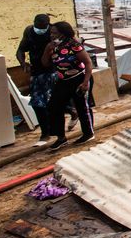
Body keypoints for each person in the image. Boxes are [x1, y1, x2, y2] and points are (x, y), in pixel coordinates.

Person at [41, 21, 95, 150]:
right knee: (54, 106)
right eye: (51, 33)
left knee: (82, 106)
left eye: (54, 33)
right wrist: (47, 50)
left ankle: (88, 133)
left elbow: (88, 63)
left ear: (63, 33)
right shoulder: (52, 46)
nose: (52, 35)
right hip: (63, 80)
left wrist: (85, 82)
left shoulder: (74, 45)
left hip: (79, 78)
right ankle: (61, 138)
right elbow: (45, 63)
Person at [16, 14, 55, 140]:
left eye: (43, 27)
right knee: (37, 103)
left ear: (48, 25)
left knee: (54, 102)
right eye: (38, 27)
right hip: (37, 72)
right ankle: (45, 132)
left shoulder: (54, 31)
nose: (40, 30)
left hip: (54, 71)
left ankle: (70, 114)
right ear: (34, 23)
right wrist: (23, 63)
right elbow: (20, 50)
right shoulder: (29, 31)